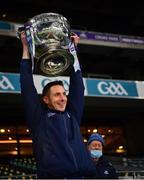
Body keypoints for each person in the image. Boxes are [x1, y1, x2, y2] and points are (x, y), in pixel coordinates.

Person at [19, 31, 96, 179]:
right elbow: (26, 84)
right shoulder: (39, 118)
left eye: (64, 94)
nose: (63, 98)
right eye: (57, 94)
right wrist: (25, 48)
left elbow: (78, 85)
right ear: (46, 100)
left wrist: (73, 51)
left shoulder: (72, 114)